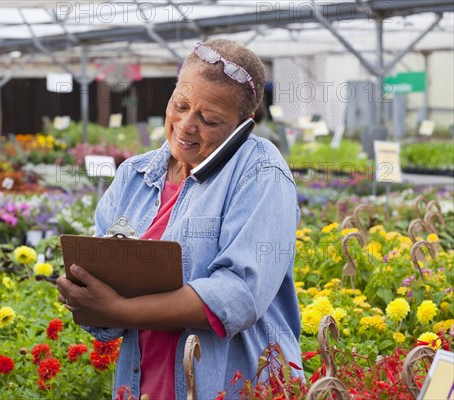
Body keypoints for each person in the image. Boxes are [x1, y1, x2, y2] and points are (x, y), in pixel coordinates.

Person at [57, 39, 302, 399]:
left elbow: (239, 295)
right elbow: (105, 298)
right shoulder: (134, 175)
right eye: (180, 105)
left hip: (231, 384)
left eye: (209, 119)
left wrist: (121, 309)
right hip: (144, 383)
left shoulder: (260, 170)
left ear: (242, 126)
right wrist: (88, 296)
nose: (186, 125)